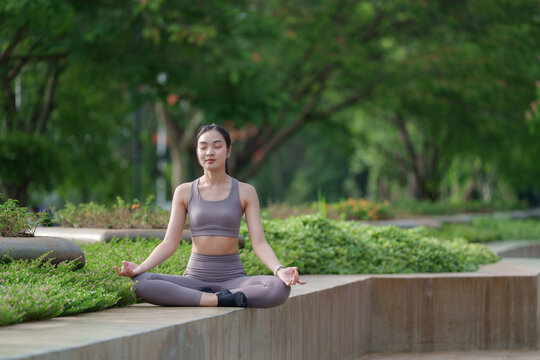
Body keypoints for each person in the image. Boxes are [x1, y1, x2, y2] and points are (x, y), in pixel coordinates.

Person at [115, 124, 306, 308]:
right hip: (194, 279)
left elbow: (260, 243)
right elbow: (169, 243)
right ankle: (218, 300)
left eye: (217, 146)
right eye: (203, 146)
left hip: (234, 281)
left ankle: (208, 298)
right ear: (197, 151)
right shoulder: (184, 191)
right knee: (140, 282)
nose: (209, 152)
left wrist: (280, 270)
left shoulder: (245, 191)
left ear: (228, 151)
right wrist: (140, 268)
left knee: (278, 288)